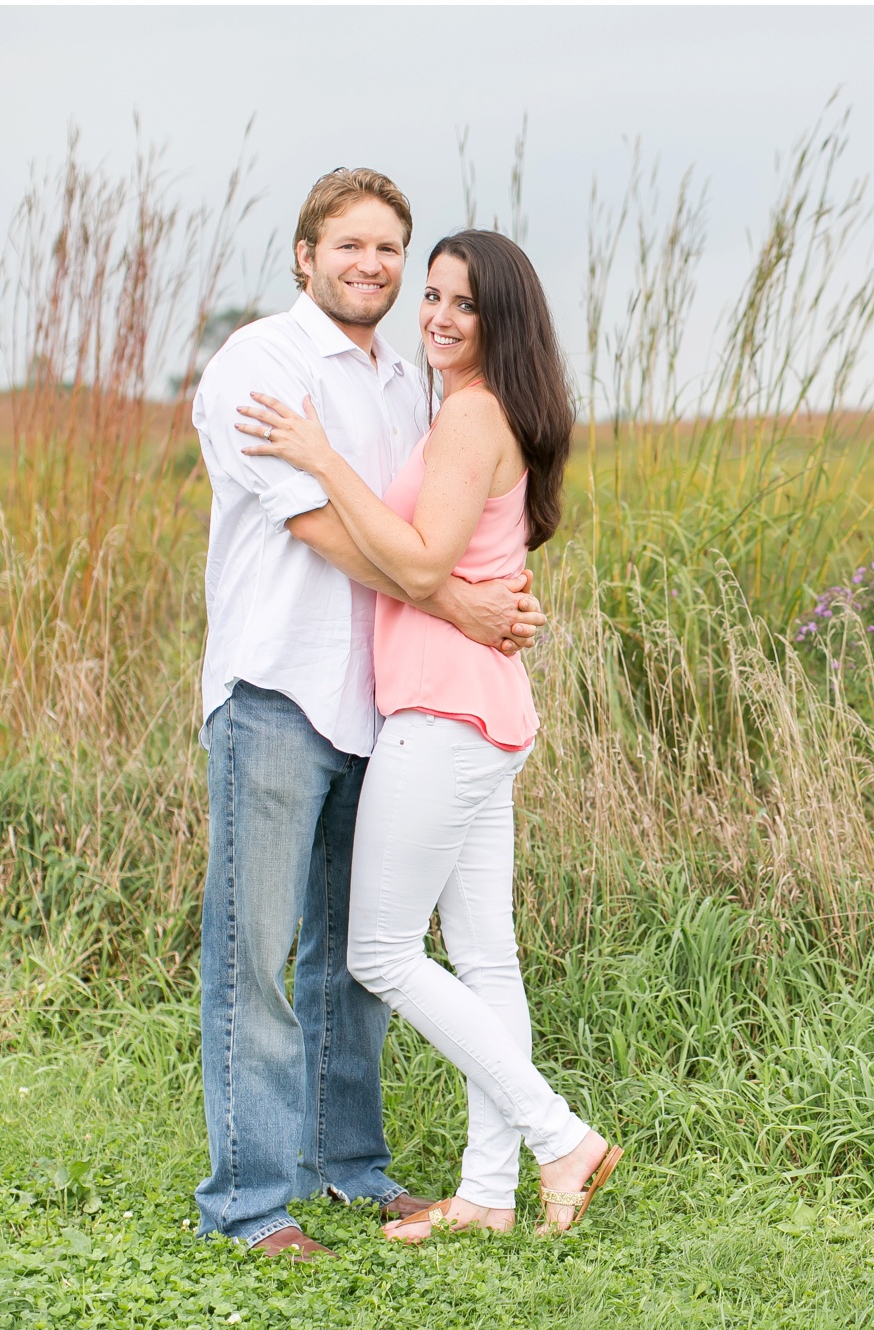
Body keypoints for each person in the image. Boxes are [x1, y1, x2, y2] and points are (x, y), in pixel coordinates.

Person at [237, 228, 621, 1242]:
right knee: (486, 960)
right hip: (483, 705)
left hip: (443, 712)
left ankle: (558, 1135)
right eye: (434, 296)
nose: (441, 317)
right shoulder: (490, 411)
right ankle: (490, 1194)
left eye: (464, 303)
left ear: (502, 320)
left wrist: (319, 456)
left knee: (379, 950)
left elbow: (414, 563)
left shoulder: (471, 417)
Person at [193, 171, 547, 1262]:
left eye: (389, 248)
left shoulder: (411, 382)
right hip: (278, 692)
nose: (374, 266)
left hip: (381, 708)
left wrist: (486, 591)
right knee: (252, 953)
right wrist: (467, 606)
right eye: (349, 245)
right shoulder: (263, 364)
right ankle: (252, 1203)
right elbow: (322, 527)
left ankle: (349, 1167)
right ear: (304, 255)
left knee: (352, 960)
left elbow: (435, 523)